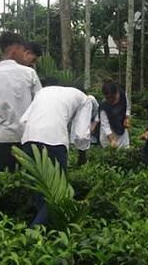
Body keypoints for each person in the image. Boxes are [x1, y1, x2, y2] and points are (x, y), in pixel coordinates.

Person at [20, 85, 94, 225]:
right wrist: (82, 157)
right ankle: (33, 234)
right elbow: (81, 135)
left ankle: (42, 234)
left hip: (28, 140)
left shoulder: (43, 91)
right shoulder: (86, 99)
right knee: (56, 194)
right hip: (54, 142)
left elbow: (23, 120)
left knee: (39, 192)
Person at [0, 32, 42, 172]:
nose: (24, 53)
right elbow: (40, 100)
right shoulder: (29, 73)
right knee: (30, 178)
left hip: (3, 137)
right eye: (22, 50)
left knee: (5, 179)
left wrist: (5, 108)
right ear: (15, 49)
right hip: (28, 136)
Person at [99, 81, 131, 149]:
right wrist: (112, 140)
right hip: (109, 134)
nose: (110, 100)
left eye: (113, 98)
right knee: (110, 153)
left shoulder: (123, 96)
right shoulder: (103, 106)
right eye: (108, 98)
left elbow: (127, 108)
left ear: (117, 92)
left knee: (125, 150)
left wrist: (126, 118)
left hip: (121, 130)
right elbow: (106, 126)